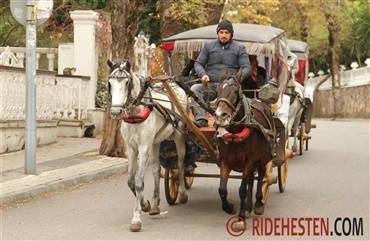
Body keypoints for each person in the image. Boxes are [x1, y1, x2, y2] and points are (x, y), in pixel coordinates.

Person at [191, 20, 252, 127]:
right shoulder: (208, 46)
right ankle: (201, 119)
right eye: (221, 32)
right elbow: (198, 64)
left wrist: (236, 79)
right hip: (212, 85)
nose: (224, 35)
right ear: (218, 33)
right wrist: (203, 75)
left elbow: (247, 67)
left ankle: (225, 121)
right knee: (194, 89)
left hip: (230, 88)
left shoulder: (239, 48)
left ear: (231, 34)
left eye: (227, 33)